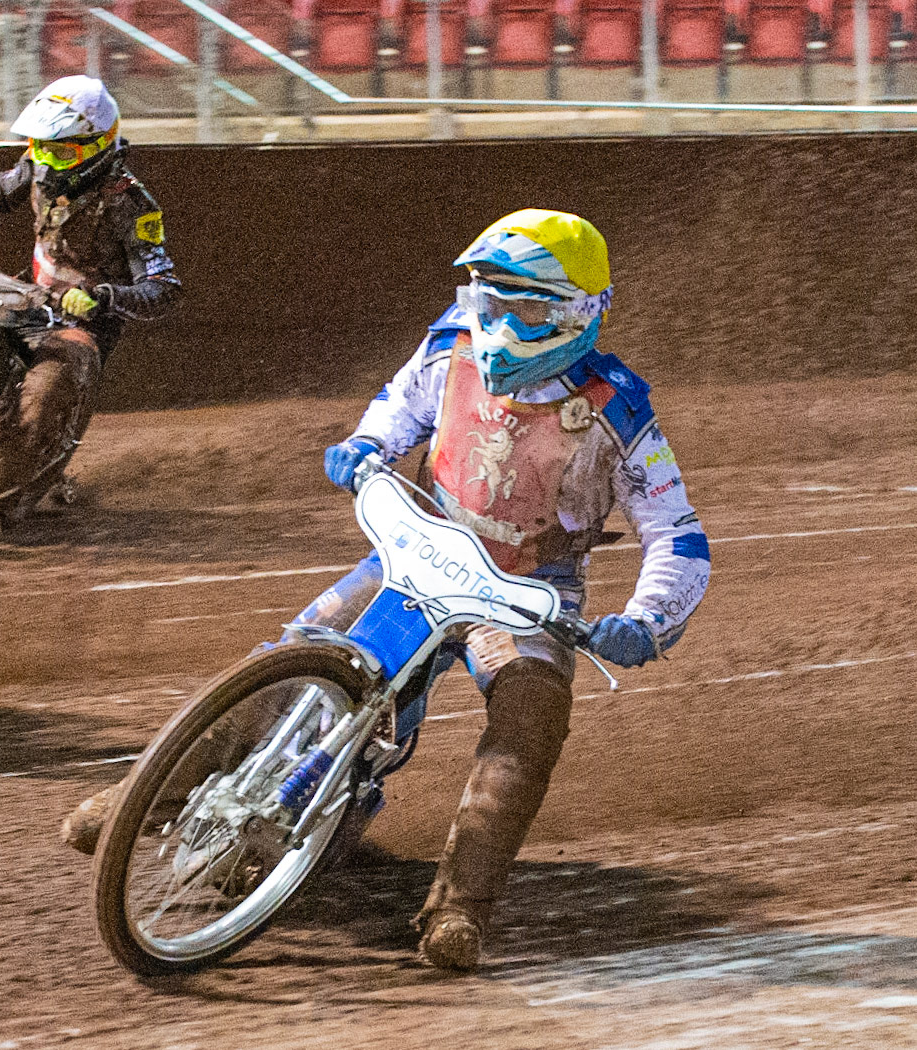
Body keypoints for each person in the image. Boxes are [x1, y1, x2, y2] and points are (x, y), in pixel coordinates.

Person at [61, 209, 711, 973]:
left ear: (573, 313)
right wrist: (368, 443)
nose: (496, 319)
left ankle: (459, 908)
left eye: (521, 306)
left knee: (529, 721)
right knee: (293, 656)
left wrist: (646, 619)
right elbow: (401, 401)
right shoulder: (452, 340)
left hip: (525, 590)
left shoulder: (617, 406)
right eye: (488, 299)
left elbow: (675, 532)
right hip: (421, 547)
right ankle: (153, 792)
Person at [0, 74, 181, 542]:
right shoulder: (41, 163)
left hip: (83, 323)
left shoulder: (131, 204)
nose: (46, 159)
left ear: (100, 144)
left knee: (48, 391)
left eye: (62, 151)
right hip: (27, 297)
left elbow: (165, 287)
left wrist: (104, 297)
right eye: (39, 146)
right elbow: (0, 188)